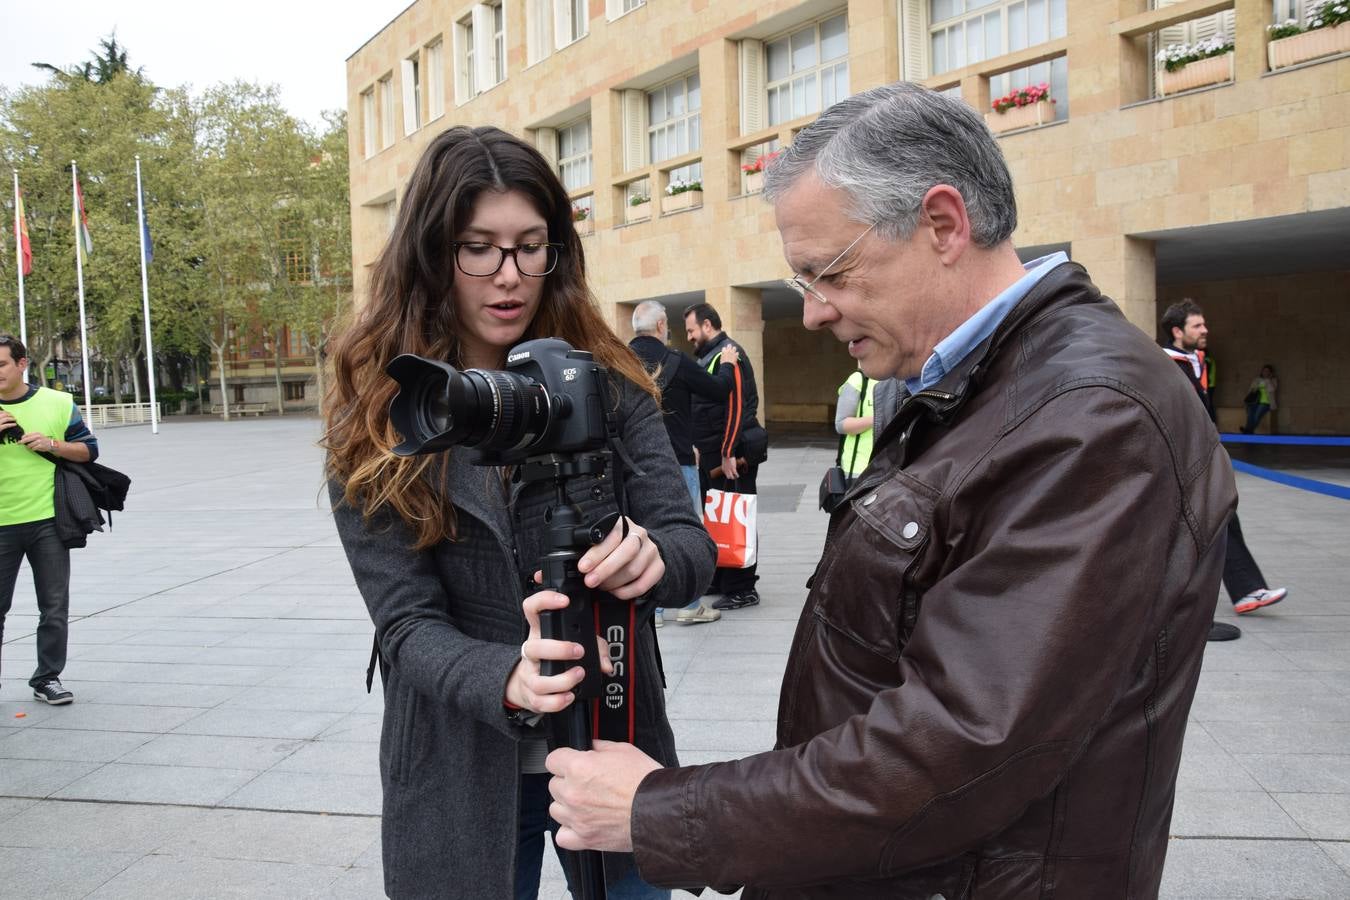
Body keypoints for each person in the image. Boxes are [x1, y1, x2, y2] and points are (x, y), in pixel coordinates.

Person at [544, 82, 1238, 899]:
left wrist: (661, 813)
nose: (811, 313)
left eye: (827, 273)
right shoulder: (976, 379)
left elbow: (963, 743)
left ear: (943, 225)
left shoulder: (1092, 417)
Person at [321, 126, 716, 900]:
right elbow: (404, 626)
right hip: (458, 759)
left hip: (613, 745)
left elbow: (691, 551)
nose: (509, 276)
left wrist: (655, 558)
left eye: (531, 247)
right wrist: (506, 676)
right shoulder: (379, 414)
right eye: (479, 247)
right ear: (433, 253)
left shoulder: (606, 379)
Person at [1162, 300, 1289, 640]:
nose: (1205, 331)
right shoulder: (1167, 364)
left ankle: (1245, 591)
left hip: (1199, 459)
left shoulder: (1196, 363)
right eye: (1198, 326)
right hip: (1179, 463)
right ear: (1178, 331)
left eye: (1204, 325)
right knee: (1194, 530)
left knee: (1219, 521)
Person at [628, 299, 740, 627]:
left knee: (642, 532)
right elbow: (719, 390)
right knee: (684, 532)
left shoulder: (619, 361)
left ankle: (656, 611)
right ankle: (690, 606)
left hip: (632, 465)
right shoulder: (674, 359)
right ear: (662, 326)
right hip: (677, 461)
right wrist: (728, 364)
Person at [0, 335, 99, 705]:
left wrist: (52, 445)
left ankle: (47, 678)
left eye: (1, 365)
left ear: (22, 364)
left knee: (54, 606)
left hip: (48, 522)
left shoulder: (57, 403)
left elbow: (89, 449)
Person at [682, 302, 766, 610]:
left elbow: (737, 406)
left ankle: (743, 587)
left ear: (707, 325)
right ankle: (722, 578)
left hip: (731, 454)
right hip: (712, 453)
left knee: (737, 517)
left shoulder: (730, 353)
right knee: (719, 517)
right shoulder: (710, 356)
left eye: (691, 330)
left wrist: (729, 451)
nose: (689, 336)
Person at [833, 366, 875, 483]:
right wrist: (878, 418)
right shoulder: (858, 380)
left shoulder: (900, 380)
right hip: (859, 469)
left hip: (892, 467)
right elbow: (841, 424)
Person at [1241, 363, 1278, 434]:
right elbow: (1251, 390)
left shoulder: (1273, 380)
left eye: (1267, 371)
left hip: (1266, 402)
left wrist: (1268, 380)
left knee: (1256, 415)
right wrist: (1256, 386)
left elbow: (1272, 390)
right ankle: (1249, 430)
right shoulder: (1257, 380)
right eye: (1264, 371)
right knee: (1250, 414)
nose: (1265, 372)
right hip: (1255, 401)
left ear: (1270, 373)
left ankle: (1248, 430)